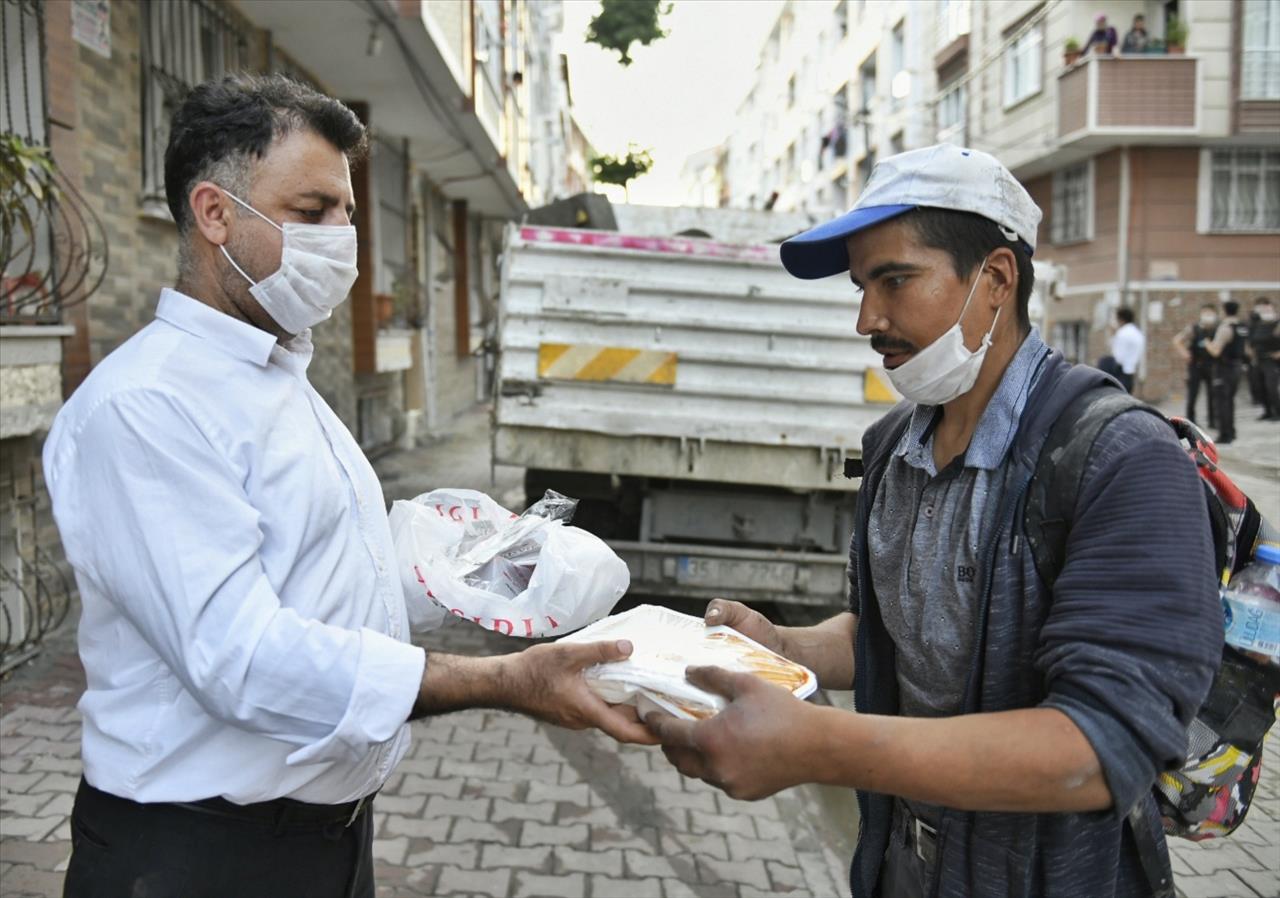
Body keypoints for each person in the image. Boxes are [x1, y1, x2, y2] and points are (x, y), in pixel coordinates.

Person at [43, 74, 652, 898]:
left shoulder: (279, 375)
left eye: (349, 214)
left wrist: (473, 560)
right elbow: (244, 657)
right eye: (311, 211)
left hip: (325, 842)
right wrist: (504, 681)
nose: (342, 238)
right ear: (215, 213)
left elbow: (325, 561)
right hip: (196, 856)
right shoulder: (148, 406)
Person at [645, 144, 1220, 898]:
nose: (865, 318)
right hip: (902, 868)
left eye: (895, 280)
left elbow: (1096, 746)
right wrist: (784, 647)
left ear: (996, 280)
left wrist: (822, 745)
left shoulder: (1122, 458)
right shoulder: (893, 448)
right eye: (861, 286)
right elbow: (889, 632)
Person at [1205, 299, 1251, 443]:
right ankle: (1231, 431)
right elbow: (1247, 350)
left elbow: (1216, 351)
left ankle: (1224, 435)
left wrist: (1206, 343)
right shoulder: (1242, 327)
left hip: (1224, 369)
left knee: (1222, 402)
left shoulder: (1225, 328)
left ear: (1224, 311)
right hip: (1237, 367)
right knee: (1230, 400)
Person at [1172, 303, 1219, 426]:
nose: (1208, 316)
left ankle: (1213, 419)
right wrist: (1185, 354)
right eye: (1205, 313)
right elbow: (1177, 340)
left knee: (1213, 394)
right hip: (1196, 364)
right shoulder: (1194, 328)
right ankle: (1191, 419)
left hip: (1211, 365)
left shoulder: (1217, 329)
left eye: (1210, 314)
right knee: (1193, 393)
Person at [1248, 297, 1280, 420]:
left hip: (1273, 360)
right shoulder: (1256, 325)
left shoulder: (1277, 324)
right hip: (1259, 359)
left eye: (1267, 308)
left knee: (1271, 386)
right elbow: (1251, 341)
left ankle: (1277, 411)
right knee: (1260, 387)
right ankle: (1267, 411)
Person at [1109, 306, 1145, 394]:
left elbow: (1118, 356)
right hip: (1131, 370)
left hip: (1120, 371)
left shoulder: (1122, 333)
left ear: (1121, 319)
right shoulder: (1138, 333)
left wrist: (1113, 336)